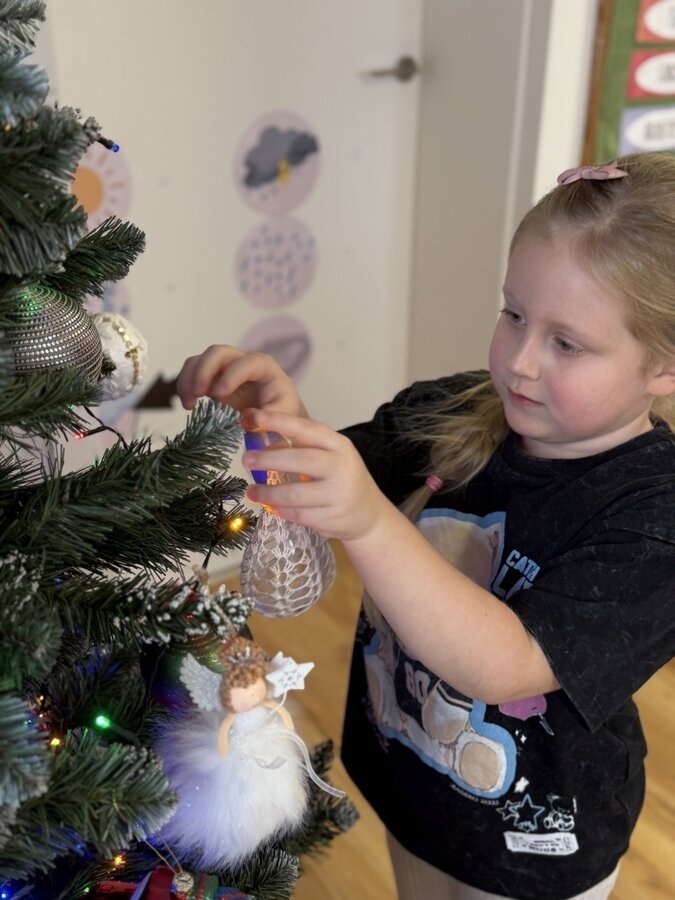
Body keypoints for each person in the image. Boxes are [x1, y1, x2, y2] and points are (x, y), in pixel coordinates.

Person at [176, 152, 675, 900]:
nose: (520, 362)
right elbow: (341, 482)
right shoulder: (450, 410)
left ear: (664, 366)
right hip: (414, 792)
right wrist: (286, 422)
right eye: (513, 314)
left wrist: (372, 523)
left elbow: (508, 664)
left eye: (566, 343)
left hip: (537, 847)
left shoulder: (654, 514)